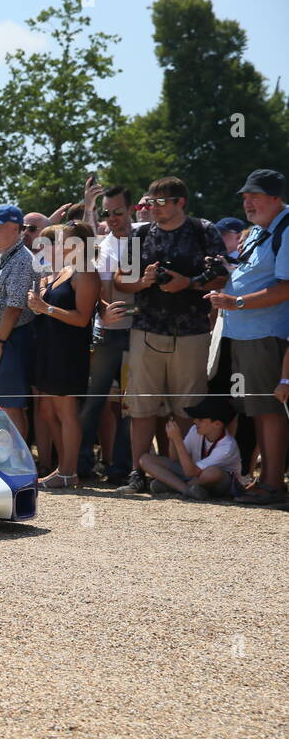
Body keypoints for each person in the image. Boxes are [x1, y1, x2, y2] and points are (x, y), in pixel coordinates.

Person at [113, 176, 224, 494]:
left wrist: (187, 283)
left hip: (192, 332)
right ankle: (138, 472)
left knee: (186, 408)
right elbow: (122, 280)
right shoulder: (141, 234)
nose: (154, 208)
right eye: (150, 202)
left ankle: (181, 474)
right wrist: (144, 282)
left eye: (161, 201)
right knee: (141, 407)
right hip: (147, 330)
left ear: (180, 202)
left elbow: (221, 278)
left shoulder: (204, 230)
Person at [204, 168, 289, 505]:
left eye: (254, 196)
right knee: (256, 408)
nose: (248, 202)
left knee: (269, 410)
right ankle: (265, 479)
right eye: (244, 197)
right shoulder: (258, 231)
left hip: (266, 334)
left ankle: (272, 484)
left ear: (275, 197)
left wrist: (236, 301)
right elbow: (247, 270)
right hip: (244, 333)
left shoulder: (286, 228)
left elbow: (286, 287)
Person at [25, 223, 99, 488]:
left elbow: (81, 319)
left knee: (66, 412)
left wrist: (45, 308)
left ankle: (69, 471)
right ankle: (63, 467)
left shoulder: (86, 273)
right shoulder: (61, 271)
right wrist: (38, 304)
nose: (58, 244)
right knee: (48, 411)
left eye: (64, 239)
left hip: (69, 349)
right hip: (47, 347)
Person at [78, 184, 140, 483]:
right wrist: (101, 308)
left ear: (131, 209)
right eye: (107, 212)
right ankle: (81, 465)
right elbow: (96, 287)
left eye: (118, 211)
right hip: (106, 333)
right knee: (93, 401)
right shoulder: (101, 245)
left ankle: (122, 469)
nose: (113, 218)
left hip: (138, 334)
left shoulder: (145, 236)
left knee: (130, 406)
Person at [0, 204, 38, 437]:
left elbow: (14, 307)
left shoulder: (22, 259)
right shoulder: (7, 255)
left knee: (11, 406)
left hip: (10, 338)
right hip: (4, 337)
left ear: (15, 229)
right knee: (3, 404)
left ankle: (19, 464)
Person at [138, 397, 242, 500]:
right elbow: (175, 459)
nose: (195, 421)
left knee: (212, 473)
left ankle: (173, 485)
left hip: (217, 484)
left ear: (217, 424)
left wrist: (178, 439)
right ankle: (186, 490)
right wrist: (172, 439)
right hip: (194, 476)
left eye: (200, 419)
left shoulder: (227, 446)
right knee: (145, 459)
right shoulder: (195, 430)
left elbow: (190, 472)